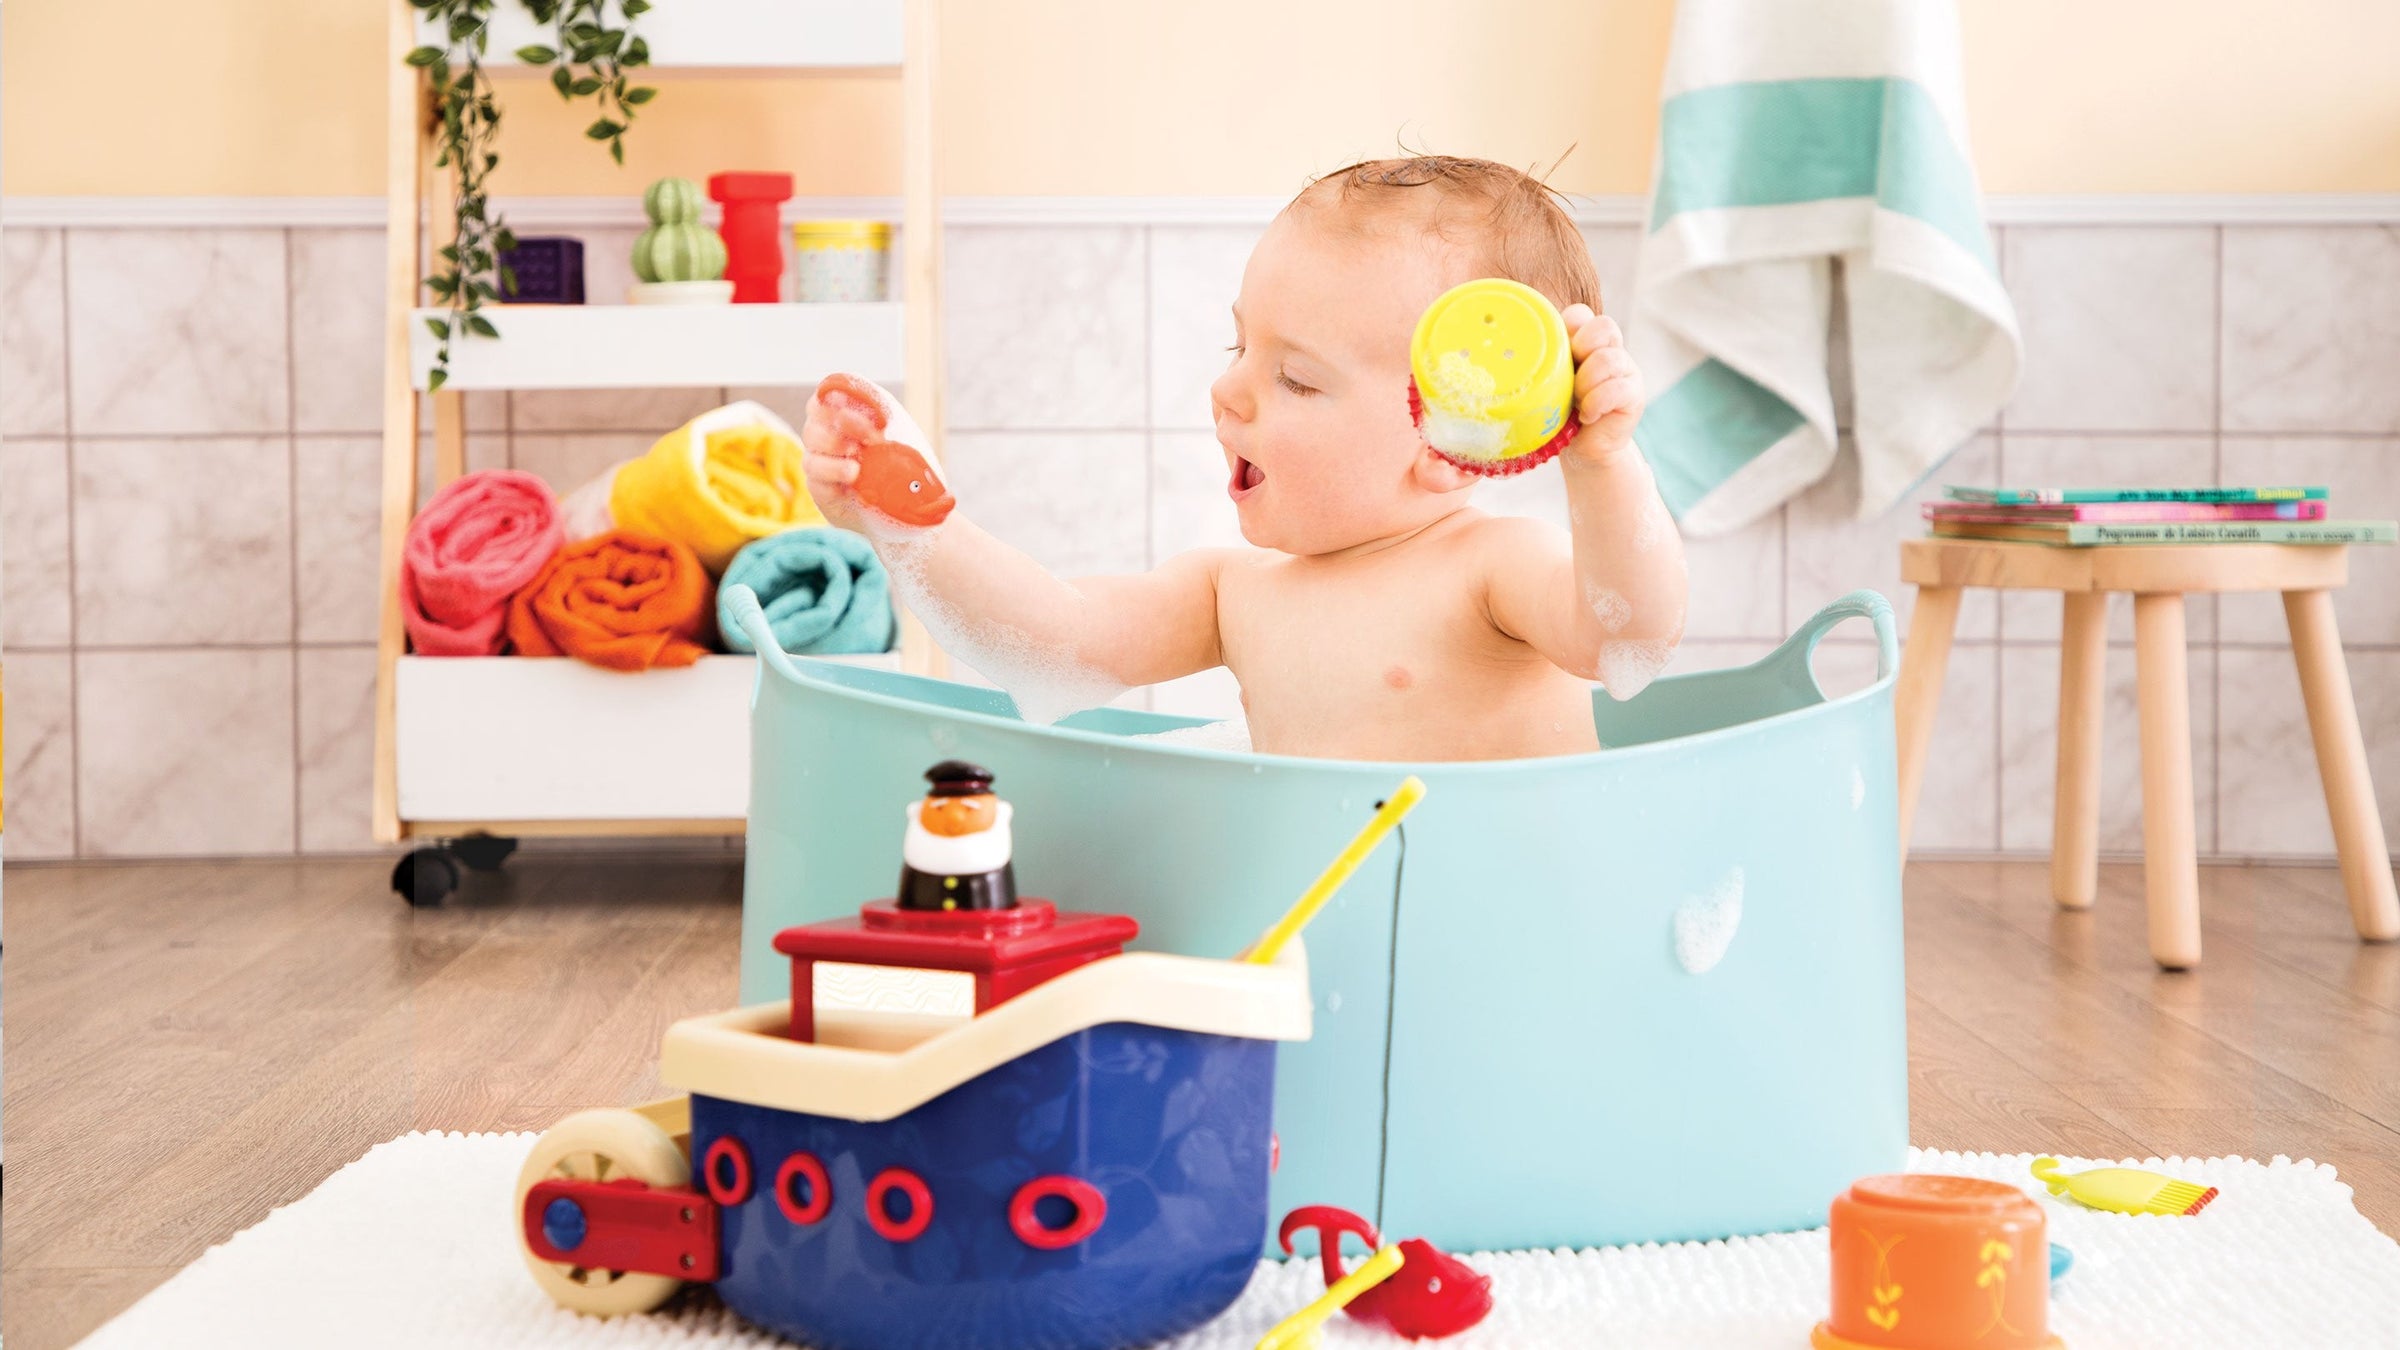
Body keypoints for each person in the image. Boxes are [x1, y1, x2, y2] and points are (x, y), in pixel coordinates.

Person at [804, 156, 1686, 761]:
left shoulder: (1493, 570)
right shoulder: (1233, 592)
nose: (1229, 394)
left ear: (1455, 442)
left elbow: (1628, 634)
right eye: (1239, 350)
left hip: (1505, 939)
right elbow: (1058, 634)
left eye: (1296, 379)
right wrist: (915, 523)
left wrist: (1603, 465)